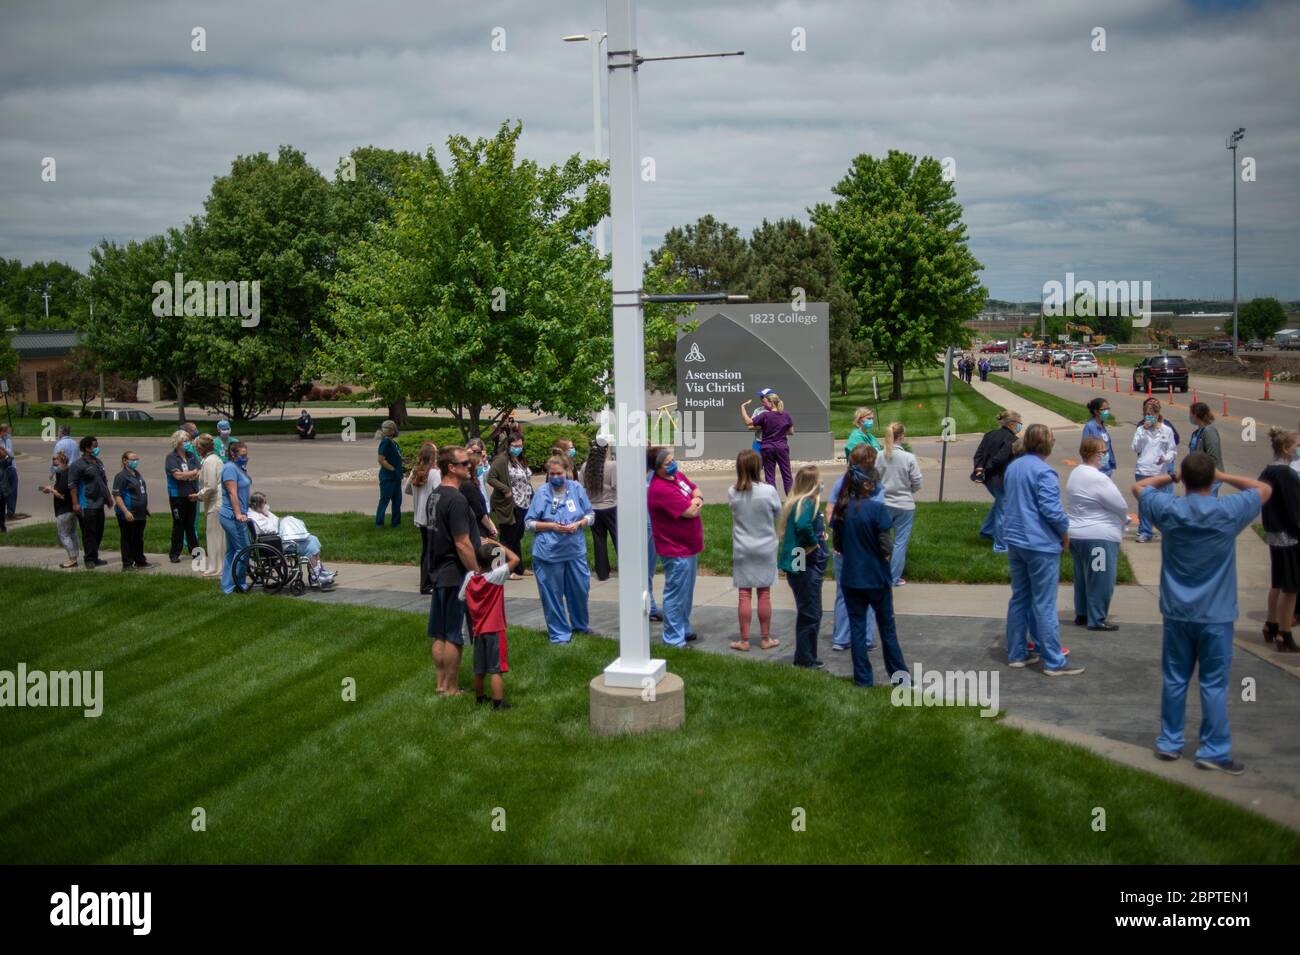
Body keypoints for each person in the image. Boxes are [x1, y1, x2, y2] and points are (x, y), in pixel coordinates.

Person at [1135, 454, 1268, 773]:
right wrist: (1224, 474)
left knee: (1175, 678)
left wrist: (1171, 477)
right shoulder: (1227, 512)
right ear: (1212, 480)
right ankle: (1214, 749)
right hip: (1216, 613)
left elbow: (1139, 486)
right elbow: (1263, 489)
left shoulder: (1169, 510)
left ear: (1186, 477)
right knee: (1213, 684)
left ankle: (1169, 742)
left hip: (1177, 611)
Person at [1003, 424, 1085, 675]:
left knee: (1020, 597)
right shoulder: (1044, 472)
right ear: (1046, 444)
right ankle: (1053, 660)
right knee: (1045, 603)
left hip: (1015, 539)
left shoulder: (1014, 467)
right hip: (1039, 543)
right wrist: (1064, 531)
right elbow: (1052, 510)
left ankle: (1017, 653)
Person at [832, 456, 909, 687]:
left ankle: (863, 679)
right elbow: (886, 546)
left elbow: (838, 545)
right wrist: (883, 559)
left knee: (857, 629)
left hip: (851, 578)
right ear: (867, 485)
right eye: (875, 482)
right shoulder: (877, 510)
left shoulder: (842, 510)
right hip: (876, 578)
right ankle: (900, 678)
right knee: (887, 629)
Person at [426, 445, 481, 696]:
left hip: (437, 571)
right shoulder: (456, 499)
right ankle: (452, 688)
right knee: (453, 634)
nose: (470, 467)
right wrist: (477, 573)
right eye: (464, 464)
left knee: (439, 631)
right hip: (455, 574)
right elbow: (462, 543)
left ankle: (440, 684)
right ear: (452, 468)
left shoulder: (435, 495)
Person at [525, 455, 596, 644]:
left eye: (560, 473)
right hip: (549, 553)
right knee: (552, 595)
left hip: (574, 550)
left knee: (580, 590)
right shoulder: (542, 493)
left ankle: (580, 627)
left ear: (567, 472)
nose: (556, 476)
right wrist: (551, 526)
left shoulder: (576, 489)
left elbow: (591, 515)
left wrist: (579, 523)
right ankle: (559, 635)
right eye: (552, 473)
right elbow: (529, 523)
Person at [1066, 436, 1128, 631]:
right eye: (1103, 452)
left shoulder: (1076, 473)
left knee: (1083, 578)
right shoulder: (1099, 478)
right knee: (1101, 578)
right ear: (1093, 454)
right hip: (1099, 538)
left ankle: (1083, 613)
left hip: (1077, 535)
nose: (1105, 455)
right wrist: (1122, 519)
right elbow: (1120, 505)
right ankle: (1097, 618)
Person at [828, 444, 885, 653]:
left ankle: (841, 638)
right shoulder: (875, 486)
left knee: (843, 593)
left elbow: (830, 513)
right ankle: (866, 638)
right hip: (867, 549)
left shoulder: (840, 483)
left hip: (843, 548)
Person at [647, 447, 703, 648]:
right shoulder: (660, 489)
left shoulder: (677, 476)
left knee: (686, 593)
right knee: (675, 593)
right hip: (675, 549)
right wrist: (696, 502)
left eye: (672, 460)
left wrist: (696, 499)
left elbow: (696, 490)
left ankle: (684, 628)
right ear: (656, 468)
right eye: (667, 463)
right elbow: (689, 512)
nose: (673, 465)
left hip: (689, 547)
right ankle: (672, 638)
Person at [728, 449, 781, 652]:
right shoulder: (769, 491)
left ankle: (744, 640)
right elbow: (778, 514)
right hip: (766, 547)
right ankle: (765, 638)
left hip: (742, 548)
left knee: (744, 594)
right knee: (764, 593)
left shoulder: (733, 492)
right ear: (758, 467)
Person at [459, 542, 520, 710]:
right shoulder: (496, 576)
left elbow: (461, 596)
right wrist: (500, 545)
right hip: (495, 628)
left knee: (479, 668)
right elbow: (515, 559)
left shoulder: (470, 577)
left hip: (477, 629)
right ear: (495, 562)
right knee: (496, 669)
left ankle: (479, 698)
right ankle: (498, 703)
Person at [778, 465, 827, 668]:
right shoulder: (806, 503)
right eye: (819, 481)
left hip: (798, 564)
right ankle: (806, 660)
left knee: (809, 609)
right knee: (810, 612)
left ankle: (806, 656)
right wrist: (815, 542)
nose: (821, 484)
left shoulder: (797, 502)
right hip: (804, 564)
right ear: (812, 484)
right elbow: (803, 525)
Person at [1260, 428, 1300, 652]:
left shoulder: (1268, 471)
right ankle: (1285, 634)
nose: (1298, 450)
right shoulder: (1288, 475)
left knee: (1276, 582)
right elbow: (1296, 513)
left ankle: (1271, 624)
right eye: (1297, 446)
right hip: (1289, 538)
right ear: (1286, 449)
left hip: (1273, 534)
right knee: (1291, 588)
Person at [248, 491, 335, 587]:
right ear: (258, 504)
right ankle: (315, 577)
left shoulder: (264, 513)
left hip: (280, 538)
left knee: (313, 538)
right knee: (310, 546)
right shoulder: (254, 517)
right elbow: (270, 528)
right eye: (264, 502)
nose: (266, 505)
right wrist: (282, 522)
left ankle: (319, 570)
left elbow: (277, 520)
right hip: (277, 544)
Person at [879, 422, 923, 586]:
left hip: (883, 504)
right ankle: (894, 577)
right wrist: (908, 490)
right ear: (902, 436)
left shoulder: (879, 456)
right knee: (900, 542)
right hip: (904, 505)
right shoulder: (909, 458)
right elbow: (917, 481)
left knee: (881, 539)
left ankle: (879, 573)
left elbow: (873, 479)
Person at [973, 410, 1022, 554]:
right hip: (1001, 479)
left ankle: (987, 531)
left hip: (988, 478)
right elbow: (999, 459)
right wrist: (986, 470)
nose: (1020, 426)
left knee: (1000, 503)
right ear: (1012, 424)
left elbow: (979, 454)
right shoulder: (1012, 440)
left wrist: (980, 470)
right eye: (1019, 423)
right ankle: (1001, 546)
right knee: (1004, 510)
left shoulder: (989, 435)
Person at [1132, 397, 1176, 543]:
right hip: (1143, 471)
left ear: (1158, 415)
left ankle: (1166, 530)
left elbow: (1172, 451)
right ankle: (1145, 532)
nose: (1148, 417)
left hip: (1159, 472)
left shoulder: (1167, 430)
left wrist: (1165, 458)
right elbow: (1135, 448)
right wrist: (1143, 432)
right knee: (1145, 504)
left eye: (1151, 415)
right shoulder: (1140, 429)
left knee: (1161, 504)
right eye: (1146, 414)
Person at [741, 388, 795, 493]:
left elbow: (749, 422)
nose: (761, 399)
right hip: (779, 446)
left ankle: (772, 500)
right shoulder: (784, 414)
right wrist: (778, 429)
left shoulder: (766, 415)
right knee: (786, 474)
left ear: (770, 400)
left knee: (770, 476)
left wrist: (742, 407)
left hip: (767, 447)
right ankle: (791, 501)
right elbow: (791, 431)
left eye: (763, 397)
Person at [68, 435, 110, 568]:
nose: (97, 448)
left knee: (99, 531)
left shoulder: (98, 463)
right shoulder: (78, 465)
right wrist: (75, 503)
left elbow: (104, 482)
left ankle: (95, 555)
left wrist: (108, 497)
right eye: (95, 446)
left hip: (99, 503)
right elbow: (72, 485)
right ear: (86, 448)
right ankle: (89, 558)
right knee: (89, 532)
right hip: (86, 504)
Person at [218, 441, 253, 595]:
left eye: (246, 455)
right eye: (243, 455)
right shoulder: (230, 469)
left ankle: (228, 586)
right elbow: (233, 493)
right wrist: (238, 513)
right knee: (244, 549)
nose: (245, 458)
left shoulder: (238, 467)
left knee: (233, 551)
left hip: (237, 514)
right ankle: (236, 584)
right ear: (233, 454)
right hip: (232, 516)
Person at [406, 442, 440, 594]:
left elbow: (407, 489)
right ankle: (428, 583)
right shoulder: (434, 474)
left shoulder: (416, 472)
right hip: (432, 516)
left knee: (426, 549)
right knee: (431, 550)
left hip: (420, 516)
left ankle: (426, 581)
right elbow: (441, 492)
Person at [583, 435, 618, 581]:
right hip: (610, 507)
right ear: (606, 450)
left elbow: (582, 486)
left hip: (593, 509)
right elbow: (616, 485)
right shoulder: (612, 465)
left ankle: (602, 573)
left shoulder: (585, 466)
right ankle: (626, 568)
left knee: (599, 541)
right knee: (618, 539)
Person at [164, 429, 201, 563]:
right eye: (185, 441)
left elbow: (199, 471)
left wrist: (189, 475)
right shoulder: (171, 458)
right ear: (177, 443)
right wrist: (192, 474)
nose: (187, 443)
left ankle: (195, 551)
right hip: (177, 497)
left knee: (190, 525)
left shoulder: (191, 455)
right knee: (179, 525)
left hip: (191, 494)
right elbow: (177, 475)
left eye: (188, 441)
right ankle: (175, 553)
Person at [111, 450, 152, 570]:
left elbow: (141, 491)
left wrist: (145, 507)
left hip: (140, 512)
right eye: (132, 459)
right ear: (125, 461)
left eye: (137, 459)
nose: (135, 461)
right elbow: (117, 496)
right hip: (129, 513)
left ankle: (140, 561)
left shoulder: (137, 474)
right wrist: (125, 511)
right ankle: (127, 564)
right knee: (127, 538)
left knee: (138, 538)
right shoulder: (121, 476)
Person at [40, 449, 80, 566]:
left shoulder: (63, 475)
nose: (53, 464)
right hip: (71, 509)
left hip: (64, 510)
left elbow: (62, 495)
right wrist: (51, 490)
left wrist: (51, 490)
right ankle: (75, 557)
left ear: (62, 461)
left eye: (55, 461)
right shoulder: (67, 473)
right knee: (72, 533)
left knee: (63, 534)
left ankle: (72, 559)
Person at [196, 434, 225, 578]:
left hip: (215, 503)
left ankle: (216, 568)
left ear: (200, 448)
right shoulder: (214, 459)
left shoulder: (209, 462)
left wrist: (198, 495)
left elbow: (211, 486)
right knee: (218, 536)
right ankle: (219, 566)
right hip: (218, 501)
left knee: (214, 535)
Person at [1188, 402, 1224, 496]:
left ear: (1196, 415)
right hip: (1199, 476)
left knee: (1207, 507)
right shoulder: (1197, 433)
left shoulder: (1209, 431)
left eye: (1190, 414)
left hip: (1210, 477)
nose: (1189, 416)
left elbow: (1213, 457)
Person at [375, 420, 404, 528]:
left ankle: (396, 523)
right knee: (385, 500)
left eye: (390, 428)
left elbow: (395, 457)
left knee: (397, 500)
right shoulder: (385, 442)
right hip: (388, 476)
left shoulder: (393, 442)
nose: (387, 430)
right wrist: (392, 469)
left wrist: (403, 461)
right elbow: (381, 460)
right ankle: (379, 523)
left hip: (397, 476)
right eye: (386, 429)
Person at [1081, 398, 1117, 476]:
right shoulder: (1090, 426)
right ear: (1096, 411)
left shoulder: (1102, 425)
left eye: (1108, 409)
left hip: (1107, 469)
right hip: (1097, 470)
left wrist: (1110, 463)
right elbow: (1084, 449)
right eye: (1103, 409)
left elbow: (1107, 447)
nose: (1106, 412)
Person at [0, 422, 16, 519]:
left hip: (11, 468)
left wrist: (6, 453)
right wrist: (7, 455)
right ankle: (4, 512)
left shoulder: (8, 440)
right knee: (4, 491)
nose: (9, 433)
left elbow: (12, 456)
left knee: (13, 491)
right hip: (3, 469)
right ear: (4, 431)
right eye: (8, 431)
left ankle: (11, 512)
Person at [0, 445, 9, 533]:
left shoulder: (3, 462)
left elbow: (9, 460)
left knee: (2, 509)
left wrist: (5, 452)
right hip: (2, 489)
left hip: (3, 490)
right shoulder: (2, 463)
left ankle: (2, 526)